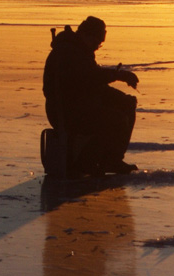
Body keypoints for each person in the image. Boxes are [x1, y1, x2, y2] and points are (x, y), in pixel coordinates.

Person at [43, 15, 139, 176]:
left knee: (126, 105)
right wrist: (118, 75)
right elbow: (89, 78)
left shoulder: (80, 50)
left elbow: (92, 85)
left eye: (99, 44)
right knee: (116, 120)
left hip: (81, 104)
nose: (96, 47)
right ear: (85, 35)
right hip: (65, 111)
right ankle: (86, 162)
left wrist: (120, 97)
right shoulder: (68, 52)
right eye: (96, 42)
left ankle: (112, 160)